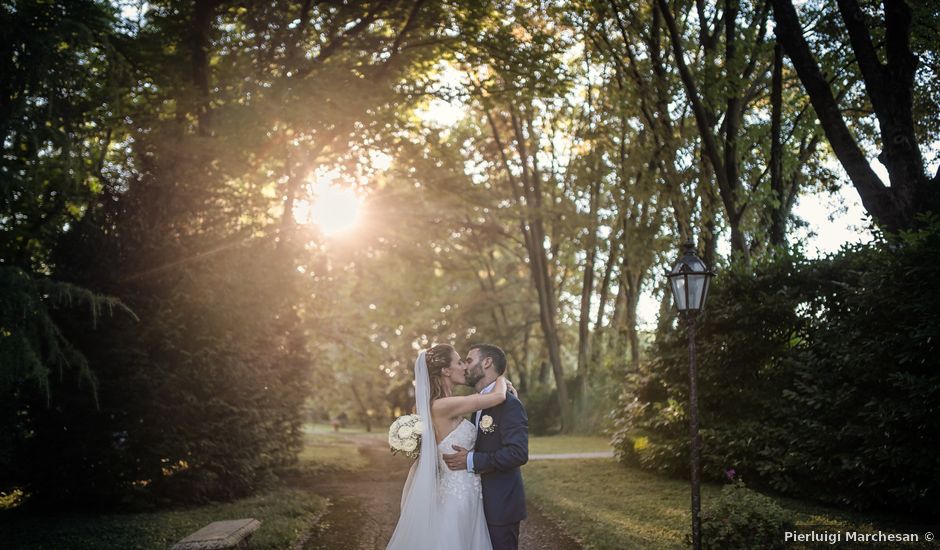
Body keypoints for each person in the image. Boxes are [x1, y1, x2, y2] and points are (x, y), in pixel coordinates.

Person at [386, 344, 508, 550]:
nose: (464, 367)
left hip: (465, 492)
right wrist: (501, 379)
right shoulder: (442, 406)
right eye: (460, 362)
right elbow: (498, 396)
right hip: (458, 495)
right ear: (446, 370)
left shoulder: (440, 404)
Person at [443, 344, 529, 550]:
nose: (465, 367)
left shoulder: (509, 403)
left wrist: (471, 460)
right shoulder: (479, 404)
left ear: (487, 362)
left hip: (501, 505)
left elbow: (518, 453)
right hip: (476, 502)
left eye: (469, 360)